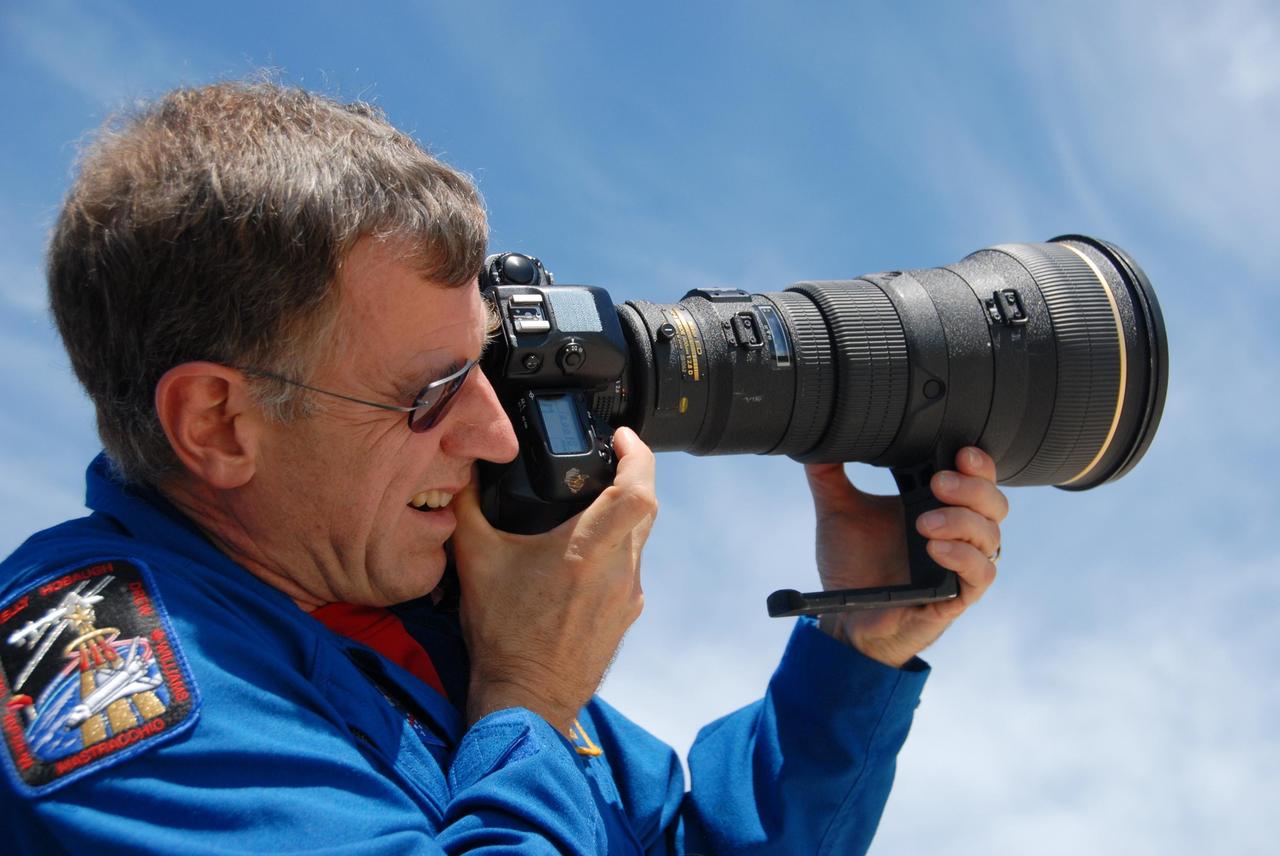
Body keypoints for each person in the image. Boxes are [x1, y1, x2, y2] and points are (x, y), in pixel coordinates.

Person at [0, 82, 1007, 854]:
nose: (491, 434)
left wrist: (852, 655)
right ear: (219, 424)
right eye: (431, 391)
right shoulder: (105, 682)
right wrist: (528, 695)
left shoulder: (428, 614)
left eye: (483, 366)